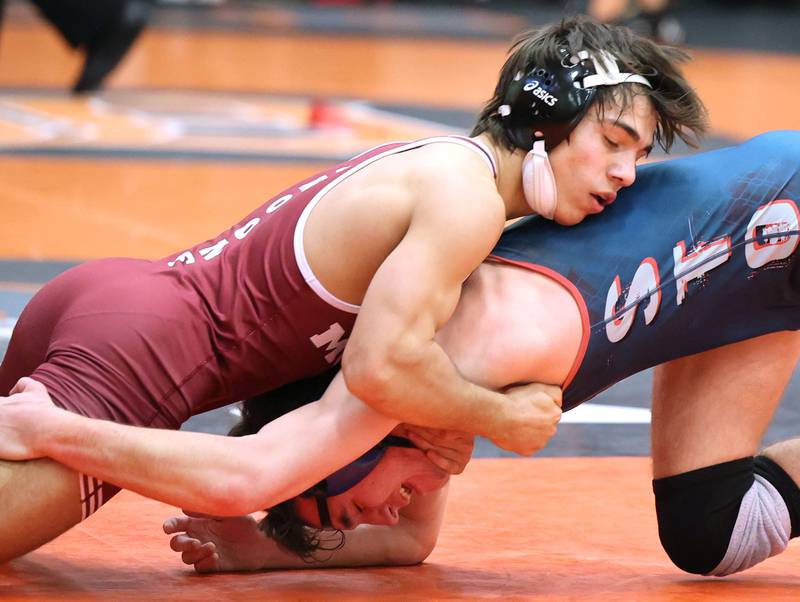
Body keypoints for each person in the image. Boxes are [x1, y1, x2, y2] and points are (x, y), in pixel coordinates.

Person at [0, 16, 706, 563]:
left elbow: (403, 461)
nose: (627, 173)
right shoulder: (466, 201)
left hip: (118, 299)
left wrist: (451, 419)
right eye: (613, 141)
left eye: (640, 155)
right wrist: (497, 416)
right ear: (546, 114)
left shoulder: (447, 176)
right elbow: (381, 368)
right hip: (147, 351)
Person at [163, 131, 800, 576]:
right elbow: (412, 542)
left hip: (780, 215)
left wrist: (67, 430)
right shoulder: (428, 399)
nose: (385, 515)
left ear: (351, 447)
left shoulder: (442, 363)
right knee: (709, 531)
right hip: (743, 280)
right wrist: (261, 552)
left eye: (357, 508)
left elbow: (251, 471)